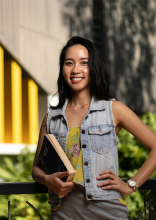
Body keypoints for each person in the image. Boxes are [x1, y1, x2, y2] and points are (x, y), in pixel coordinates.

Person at [31, 36, 156, 220]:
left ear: (94, 68)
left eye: (84, 63)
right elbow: (36, 168)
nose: (76, 70)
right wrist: (47, 180)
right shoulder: (51, 118)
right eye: (69, 63)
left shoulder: (113, 110)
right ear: (62, 69)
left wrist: (130, 185)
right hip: (63, 213)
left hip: (108, 213)